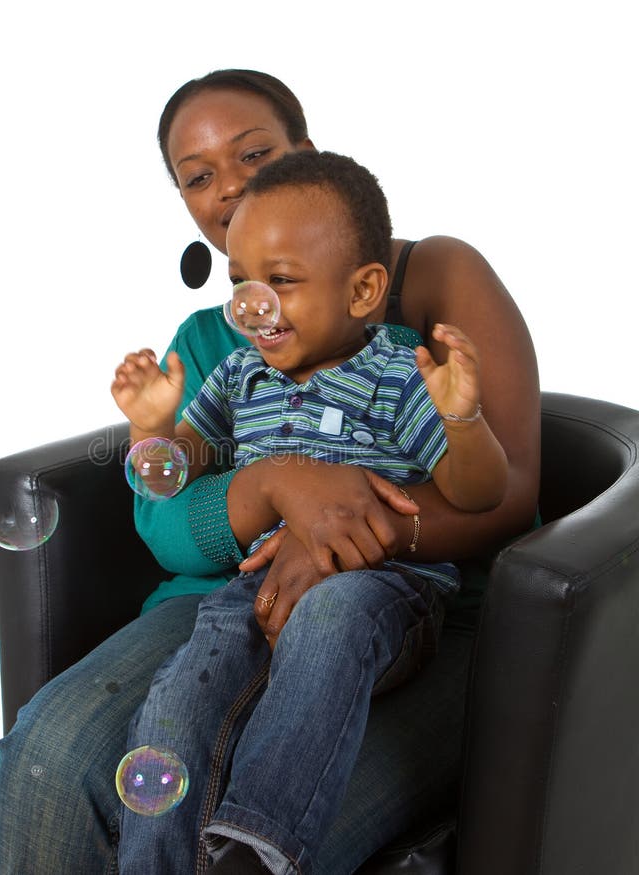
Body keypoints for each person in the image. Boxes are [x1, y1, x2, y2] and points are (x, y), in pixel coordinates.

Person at [0, 69, 540, 875]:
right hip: (229, 600)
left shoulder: (414, 324)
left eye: (255, 153)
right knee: (53, 756)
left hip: (391, 604)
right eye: (199, 175)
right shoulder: (218, 347)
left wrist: (343, 530)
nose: (232, 185)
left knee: (250, 809)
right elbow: (168, 512)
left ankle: (257, 840)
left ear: (308, 153)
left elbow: (501, 489)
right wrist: (266, 478)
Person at [109, 149, 508, 873]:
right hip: (254, 585)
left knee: (331, 618)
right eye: (241, 284)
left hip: (384, 589)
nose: (253, 307)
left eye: (282, 283)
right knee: (177, 700)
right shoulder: (238, 374)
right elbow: (170, 477)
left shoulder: (397, 371)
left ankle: (261, 846)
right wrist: (154, 428)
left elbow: (480, 492)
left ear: (362, 292)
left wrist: (464, 421)